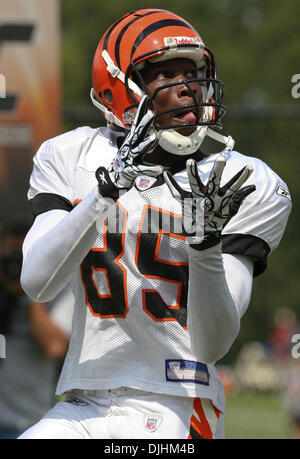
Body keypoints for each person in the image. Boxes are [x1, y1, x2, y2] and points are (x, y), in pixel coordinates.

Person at [18, 9, 291, 439]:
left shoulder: (240, 180)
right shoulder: (70, 156)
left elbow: (212, 342)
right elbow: (38, 281)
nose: (187, 88)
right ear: (120, 88)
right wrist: (104, 194)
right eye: (166, 75)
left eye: (192, 73)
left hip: (177, 402)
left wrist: (203, 244)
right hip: (82, 400)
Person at [0, 223, 73, 438]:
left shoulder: (58, 292)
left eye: (22, 259)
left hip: (27, 423)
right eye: (10, 256)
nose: (16, 266)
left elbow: (55, 346)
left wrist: (28, 294)